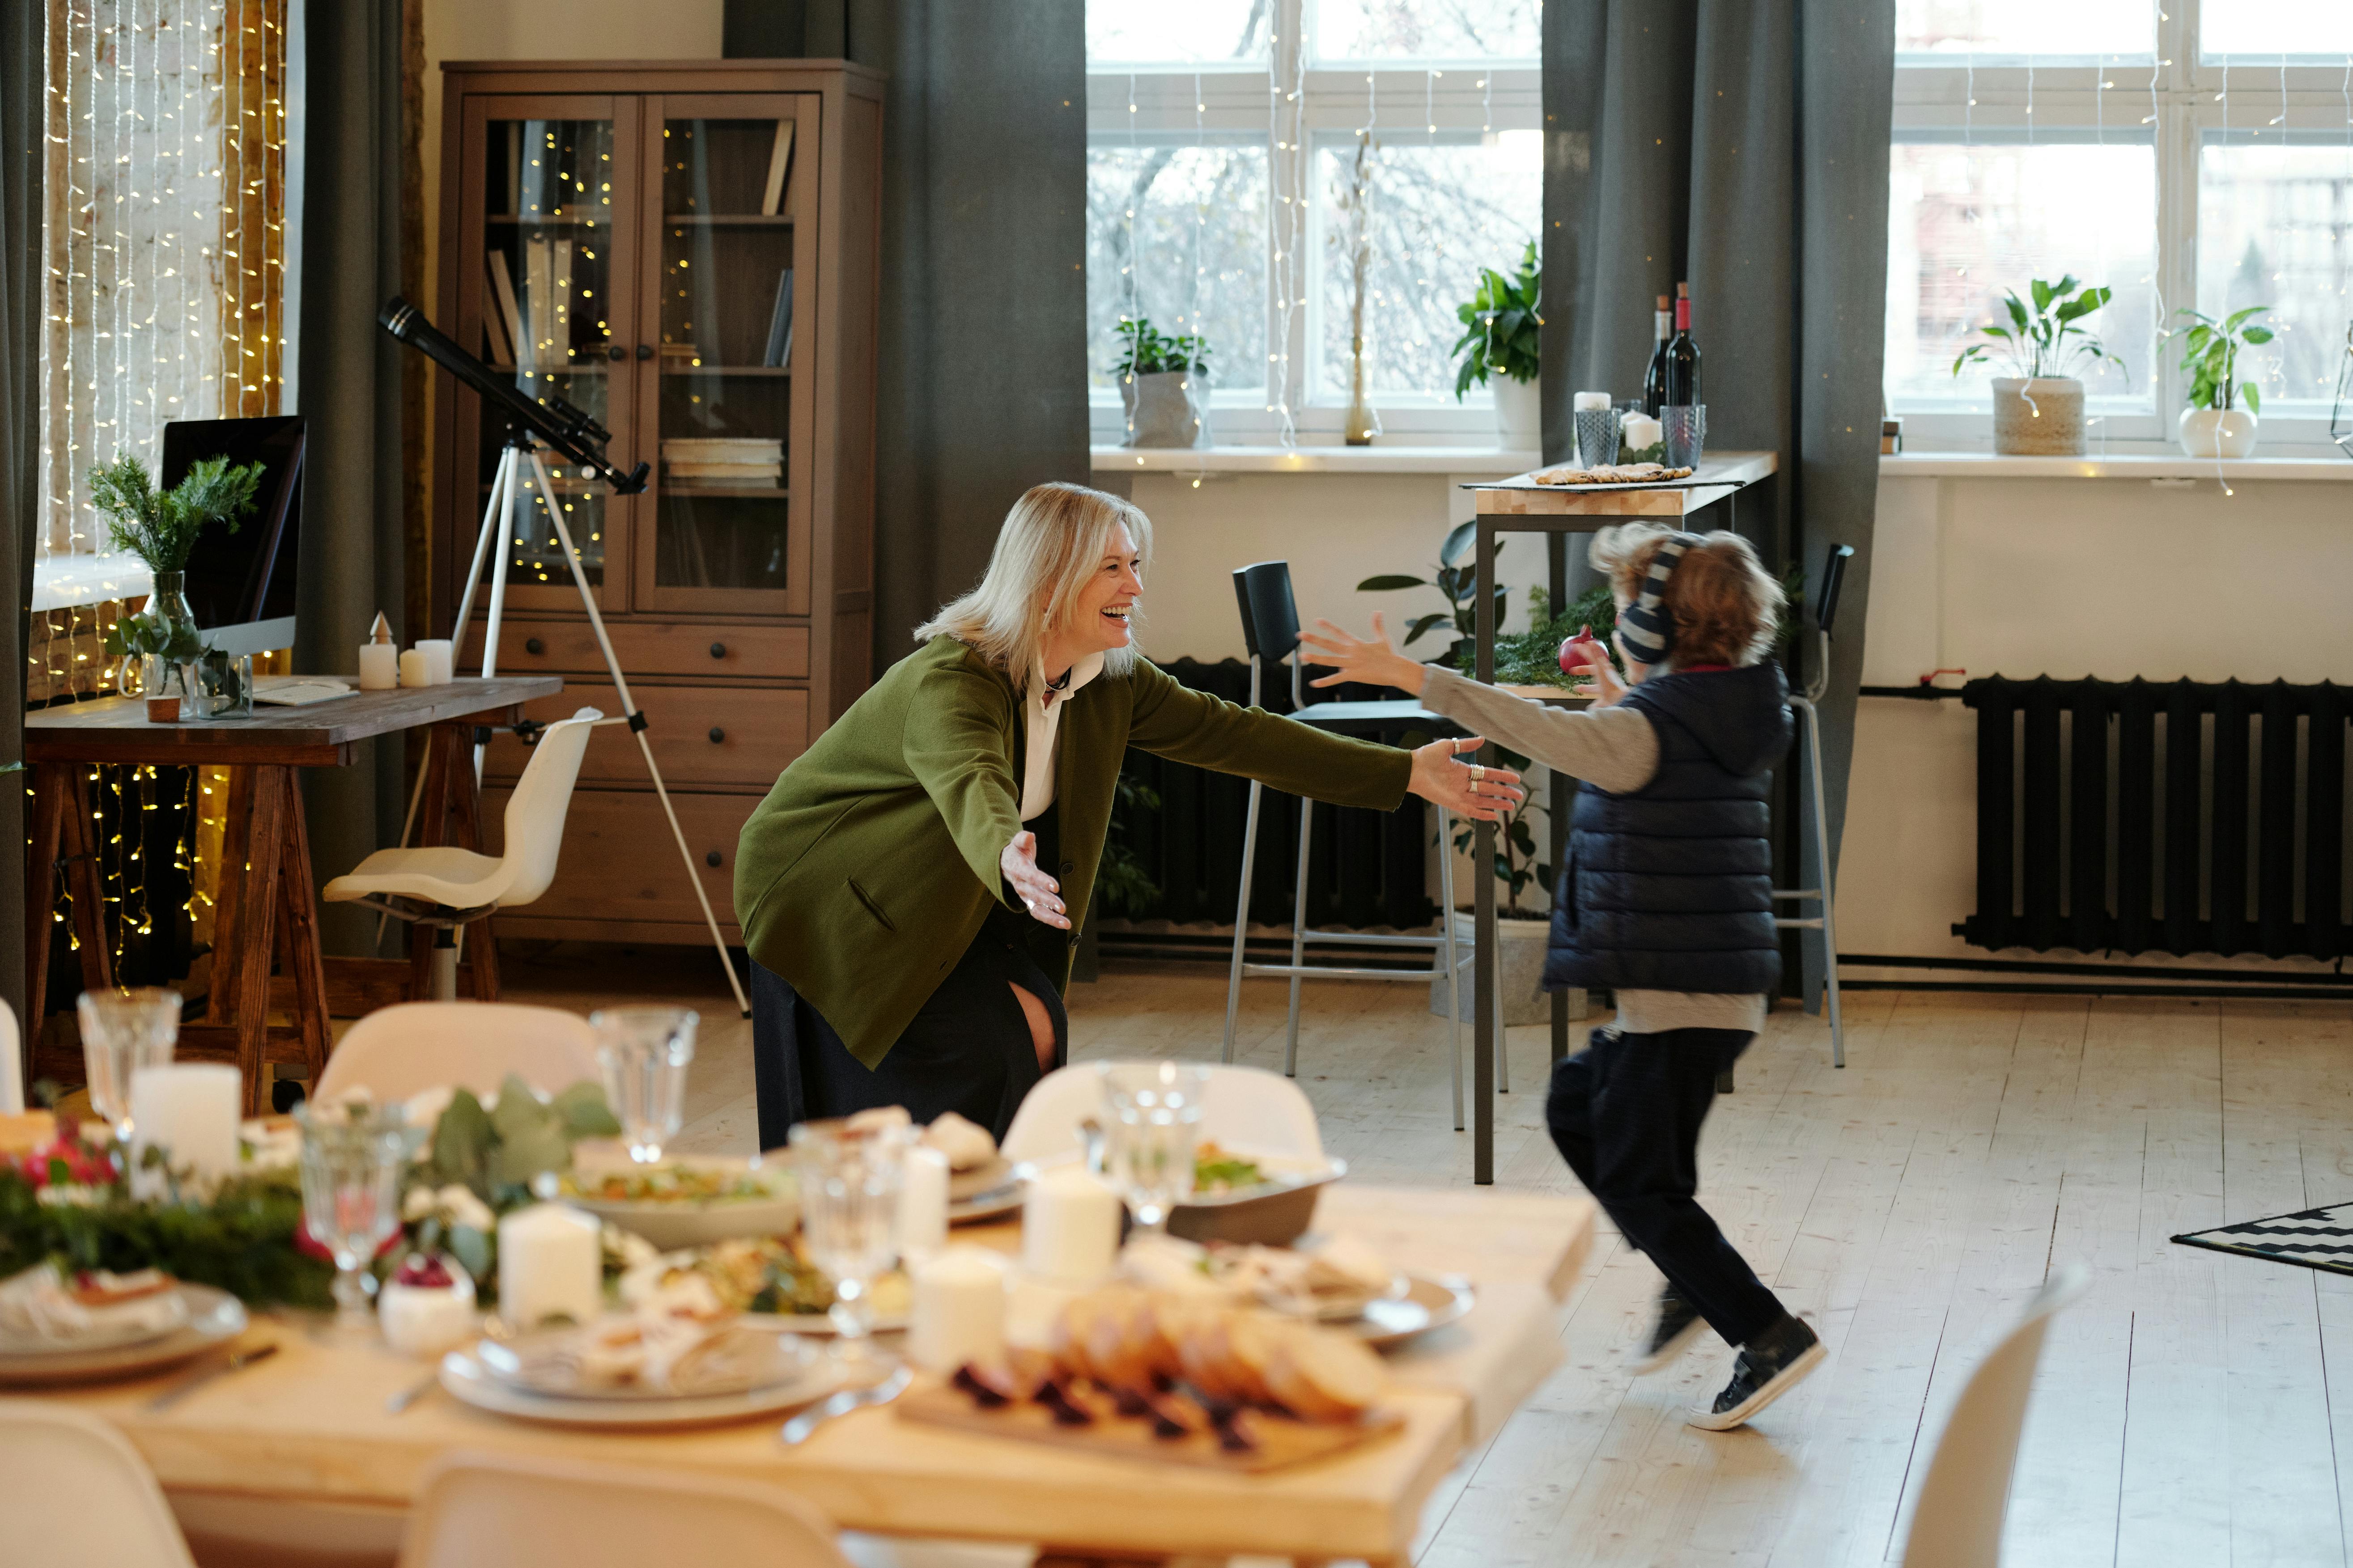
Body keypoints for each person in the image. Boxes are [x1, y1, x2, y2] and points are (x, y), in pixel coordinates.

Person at [733, 481, 1524, 1148]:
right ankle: (939, 1214)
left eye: (1135, 564)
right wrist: (1007, 849)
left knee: (1037, 1025)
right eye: (1112, 568)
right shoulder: (957, 679)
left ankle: (994, 1216)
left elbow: (1236, 732)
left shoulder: (1108, 679)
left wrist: (1407, 772)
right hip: (831, 894)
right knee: (994, 1048)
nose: (1136, 587)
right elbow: (969, 778)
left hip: (949, 895)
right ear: (1047, 581)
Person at [1298, 522, 1822, 1432]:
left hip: (1674, 999)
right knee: (1578, 1107)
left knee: (1640, 1181)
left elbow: (1536, 730)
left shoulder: (1640, 734)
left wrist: (1414, 676)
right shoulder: (1721, 707)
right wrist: (1619, 691)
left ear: (1656, 627)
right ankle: (1686, 1273)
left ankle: (1763, 1331)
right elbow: (1655, 750)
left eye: (1625, 610)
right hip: (1707, 989)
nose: (1616, 621)